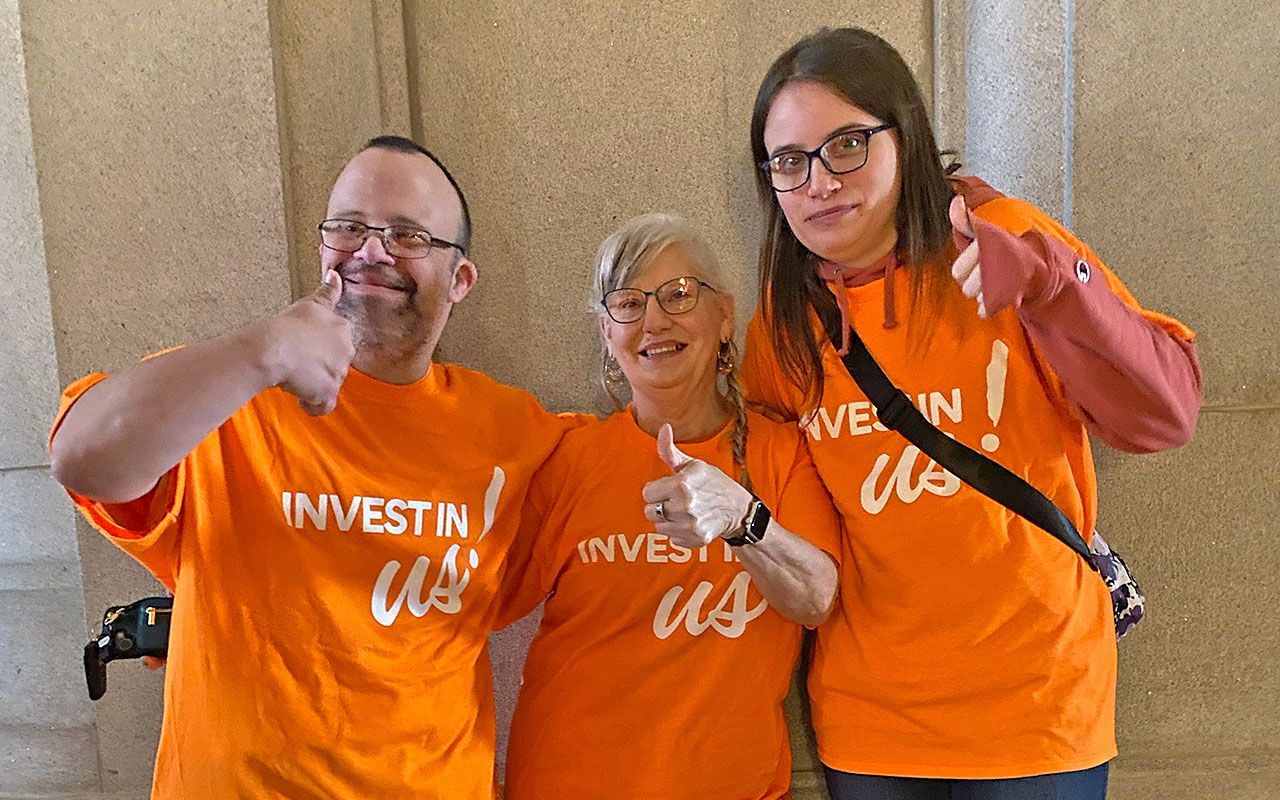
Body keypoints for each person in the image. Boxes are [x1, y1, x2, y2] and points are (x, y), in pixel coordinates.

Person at [741, 27, 1202, 800]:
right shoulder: (783, 324)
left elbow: (1166, 414)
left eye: (847, 145)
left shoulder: (1002, 241)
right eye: (789, 161)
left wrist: (1054, 289)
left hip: (1038, 709)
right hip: (872, 722)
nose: (819, 182)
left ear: (906, 136)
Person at [49, 135, 577, 799]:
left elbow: (642, 484)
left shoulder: (516, 432)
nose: (372, 251)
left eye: (409, 235)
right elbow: (82, 459)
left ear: (460, 279)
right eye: (349, 227)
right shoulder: (226, 393)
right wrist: (263, 352)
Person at [496, 212, 842, 799]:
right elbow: (479, 599)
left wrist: (743, 519)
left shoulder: (782, 452)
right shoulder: (570, 457)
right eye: (628, 304)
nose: (654, 321)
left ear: (724, 315)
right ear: (607, 334)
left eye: (679, 294)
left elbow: (815, 600)